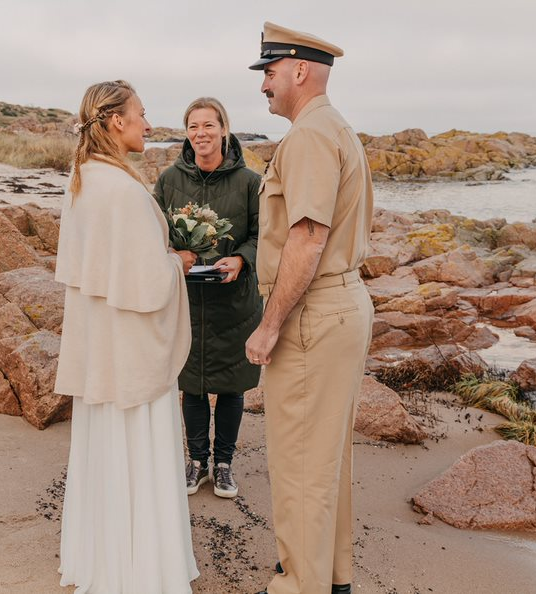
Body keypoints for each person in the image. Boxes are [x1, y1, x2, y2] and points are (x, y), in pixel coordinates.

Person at [53, 80, 199, 594]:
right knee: (138, 453)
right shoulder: (122, 190)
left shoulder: (82, 179)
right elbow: (146, 285)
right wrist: (178, 263)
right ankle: (142, 573)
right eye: (140, 112)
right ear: (116, 121)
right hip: (132, 357)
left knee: (105, 457)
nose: (147, 120)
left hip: (100, 355)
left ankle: (102, 563)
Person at [244, 22, 375, 594]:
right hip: (340, 302)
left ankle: (302, 584)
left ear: (299, 71)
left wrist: (270, 326)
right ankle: (332, 577)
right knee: (325, 460)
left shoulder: (309, 136)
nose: (264, 86)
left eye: (270, 74)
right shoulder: (333, 127)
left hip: (313, 313)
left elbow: (306, 237)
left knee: (299, 462)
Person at [153, 97, 263, 499]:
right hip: (187, 301)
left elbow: (262, 234)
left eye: (208, 126)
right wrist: (173, 255)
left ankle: (223, 465)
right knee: (193, 383)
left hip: (235, 300)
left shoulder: (249, 181)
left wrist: (241, 258)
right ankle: (196, 461)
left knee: (232, 386)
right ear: (187, 133)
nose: (201, 134)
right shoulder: (169, 180)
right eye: (193, 127)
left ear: (224, 129)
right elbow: (153, 232)